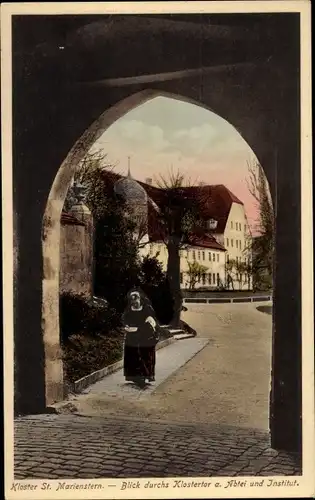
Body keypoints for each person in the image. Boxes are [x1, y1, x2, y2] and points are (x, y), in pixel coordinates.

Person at [122, 288, 159, 388]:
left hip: (144, 337)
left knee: (144, 356)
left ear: (140, 299)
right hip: (132, 337)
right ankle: (134, 376)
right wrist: (127, 326)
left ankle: (143, 377)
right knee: (132, 356)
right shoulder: (129, 309)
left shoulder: (147, 309)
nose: (134, 303)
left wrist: (138, 329)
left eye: (136, 300)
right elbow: (125, 319)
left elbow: (151, 323)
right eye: (132, 301)